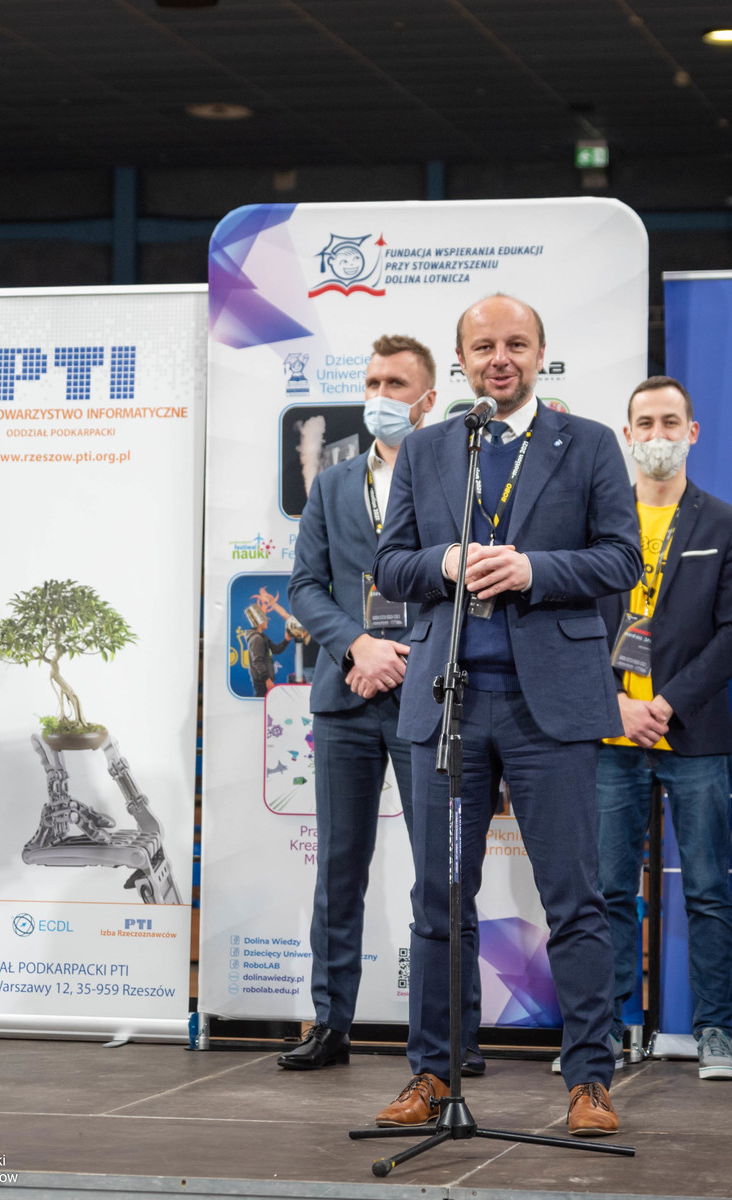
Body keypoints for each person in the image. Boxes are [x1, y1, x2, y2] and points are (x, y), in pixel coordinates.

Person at [372, 294, 641, 1136]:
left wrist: (533, 570)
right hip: (448, 704)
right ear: (460, 360)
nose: (500, 358)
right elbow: (390, 564)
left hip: (547, 708)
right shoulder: (429, 448)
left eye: (516, 344)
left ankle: (589, 1080)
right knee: (440, 900)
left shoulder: (587, 443)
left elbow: (622, 559)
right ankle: (433, 1073)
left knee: (575, 899)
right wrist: (445, 561)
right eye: (484, 345)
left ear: (539, 354)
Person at [280, 333, 481, 1075]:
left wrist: (402, 657)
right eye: (371, 382)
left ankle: (454, 1038)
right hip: (346, 697)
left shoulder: (458, 479)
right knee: (338, 868)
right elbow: (305, 586)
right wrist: (357, 647)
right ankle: (331, 1023)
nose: (380, 396)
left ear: (427, 399)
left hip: (427, 695)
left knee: (443, 873)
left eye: (395, 384)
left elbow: (466, 582)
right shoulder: (334, 484)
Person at [594, 376, 732, 1081]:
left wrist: (668, 703)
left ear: (691, 432)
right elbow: (571, 630)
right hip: (610, 738)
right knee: (607, 891)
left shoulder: (724, 524)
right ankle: (604, 1029)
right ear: (626, 434)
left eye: (669, 423)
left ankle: (714, 1031)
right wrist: (616, 705)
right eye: (644, 423)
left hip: (692, 736)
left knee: (708, 890)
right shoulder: (598, 525)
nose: (656, 435)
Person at [243, 604, 290, 698]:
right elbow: (257, 661)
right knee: (261, 704)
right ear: (259, 622)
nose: (267, 621)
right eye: (265, 620)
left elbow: (276, 650)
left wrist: (286, 640)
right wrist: (267, 680)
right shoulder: (257, 638)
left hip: (264, 680)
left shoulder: (262, 637)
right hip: (262, 682)